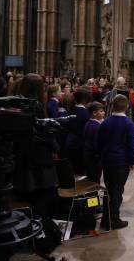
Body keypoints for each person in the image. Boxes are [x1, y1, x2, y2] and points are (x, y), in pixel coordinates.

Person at [13, 74, 58, 219]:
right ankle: (41, 226)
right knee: (45, 191)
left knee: (31, 191)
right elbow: (43, 131)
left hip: (23, 154)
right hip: (38, 156)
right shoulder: (35, 106)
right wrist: (55, 147)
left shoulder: (18, 103)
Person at [97, 94, 134, 230]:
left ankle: (105, 219)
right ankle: (113, 220)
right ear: (126, 107)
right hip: (121, 162)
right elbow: (132, 145)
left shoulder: (106, 122)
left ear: (112, 106)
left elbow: (99, 142)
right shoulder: (128, 123)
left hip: (107, 161)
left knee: (109, 190)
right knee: (117, 191)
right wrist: (131, 161)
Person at [65, 88, 92, 175]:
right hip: (79, 144)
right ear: (85, 100)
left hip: (69, 141)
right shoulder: (85, 113)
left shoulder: (70, 110)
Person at [84, 102, 105, 183]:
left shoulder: (88, 123)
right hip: (94, 158)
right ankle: (94, 195)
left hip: (88, 156)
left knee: (92, 179)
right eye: (101, 111)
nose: (104, 112)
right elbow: (97, 144)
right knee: (95, 180)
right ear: (94, 113)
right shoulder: (96, 127)